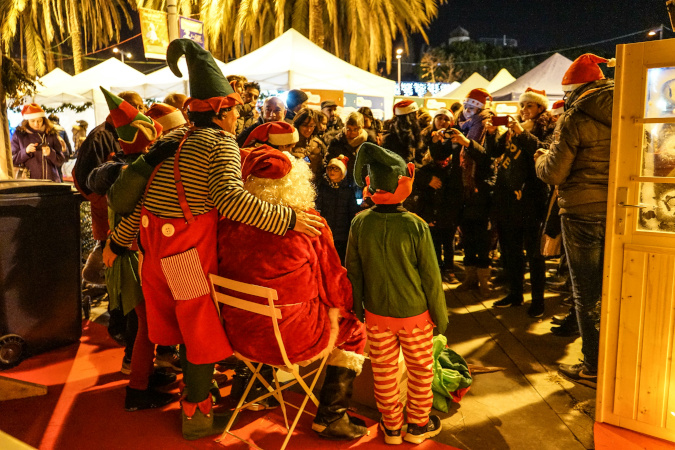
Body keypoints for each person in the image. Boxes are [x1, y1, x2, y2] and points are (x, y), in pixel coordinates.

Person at [102, 39, 323, 440]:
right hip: (185, 256)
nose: (240, 115)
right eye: (237, 108)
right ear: (222, 110)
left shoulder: (174, 141)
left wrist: (118, 242)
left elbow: (142, 201)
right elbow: (228, 198)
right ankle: (197, 416)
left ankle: (174, 391)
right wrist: (287, 218)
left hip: (155, 250)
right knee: (199, 334)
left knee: (178, 327)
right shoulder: (218, 143)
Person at [218, 147, 368, 440]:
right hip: (289, 341)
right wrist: (351, 306)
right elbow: (335, 286)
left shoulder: (227, 225)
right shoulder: (308, 223)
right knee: (355, 329)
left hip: (238, 335)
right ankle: (331, 416)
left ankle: (259, 385)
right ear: (298, 182)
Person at [347, 142, 447, 445]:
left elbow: (353, 273)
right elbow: (431, 277)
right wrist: (440, 318)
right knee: (420, 370)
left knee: (384, 371)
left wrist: (357, 310)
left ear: (371, 185)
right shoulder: (416, 226)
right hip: (415, 314)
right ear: (405, 182)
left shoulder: (359, 223)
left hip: (376, 314)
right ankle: (417, 425)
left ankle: (391, 426)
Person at [89, 88, 176, 411]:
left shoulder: (118, 167)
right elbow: (139, 212)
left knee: (144, 324)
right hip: (133, 256)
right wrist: (116, 242)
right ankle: (138, 388)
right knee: (144, 326)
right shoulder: (136, 171)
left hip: (129, 254)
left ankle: (143, 377)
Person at [535, 53, 615, 387]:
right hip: (617, 208)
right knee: (612, 288)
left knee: (586, 292)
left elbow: (554, 173)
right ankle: (612, 361)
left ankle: (592, 365)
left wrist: (540, 158)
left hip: (581, 211)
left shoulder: (575, 117)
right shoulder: (624, 108)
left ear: (574, 89)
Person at [485, 88, 555, 318]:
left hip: (532, 198)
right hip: (507, 197)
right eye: (522, 105)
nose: (524, 110)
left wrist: (520, 133)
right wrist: (492, 132)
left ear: (540, 108)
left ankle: (538, 301)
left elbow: (543, 150)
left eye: (530, 106)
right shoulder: (513, 130)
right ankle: (515, 293)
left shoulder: (547, 128)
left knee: (534, 253)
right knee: (510, 249)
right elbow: (495, 153)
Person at [453, 88, 496, 298]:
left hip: (480, 188)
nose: (468, 110)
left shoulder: (487, 125)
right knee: (467, 234)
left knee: (481, 236)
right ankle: (470, 278)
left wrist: (467, 143)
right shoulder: (463, 124)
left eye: (473, 107)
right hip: (464, 189)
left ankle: (483, 280)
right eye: (466, 106)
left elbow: (488, 156)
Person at [413, 108, 463, 284]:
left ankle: (448, 269)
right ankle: (434, 269)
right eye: (439, 118)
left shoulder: (455, 139)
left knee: (448, 239)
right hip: (429, 199)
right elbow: (412, 167)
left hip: (447, 200)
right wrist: (427, 178)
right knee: (432, 240)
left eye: (446, 119)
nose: (442, 122)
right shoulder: (423, 139)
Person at [315, 154, 360, 264]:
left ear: (342, 173)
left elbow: (352, 213)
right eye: (330, 168)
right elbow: (317, 209)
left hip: (342, 236)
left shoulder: (348, 191)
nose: (332, 171)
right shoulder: (322, 188)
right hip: (325, 234)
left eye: (336, 169)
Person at [11, 104, 65, 182]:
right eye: (33, 121)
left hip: (51, 181)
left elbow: (61, 160)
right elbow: (12, 159)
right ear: (27, 120)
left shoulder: (51, 134)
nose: (36, 124)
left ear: (43, 120)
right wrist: (25, 151)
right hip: (28, 182)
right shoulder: (19, 135)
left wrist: (51, 153)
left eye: (39, 121)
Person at [382, 100, 424, 166]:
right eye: (416, 114)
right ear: (410, 118)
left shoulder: (413, 135)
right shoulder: (393, 139)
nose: (417, 117)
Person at [292, 108, 327, 179]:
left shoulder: (318, 144)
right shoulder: (289, 143)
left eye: (311, 126)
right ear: (298, 125)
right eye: (305, 125)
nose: (308, 129)